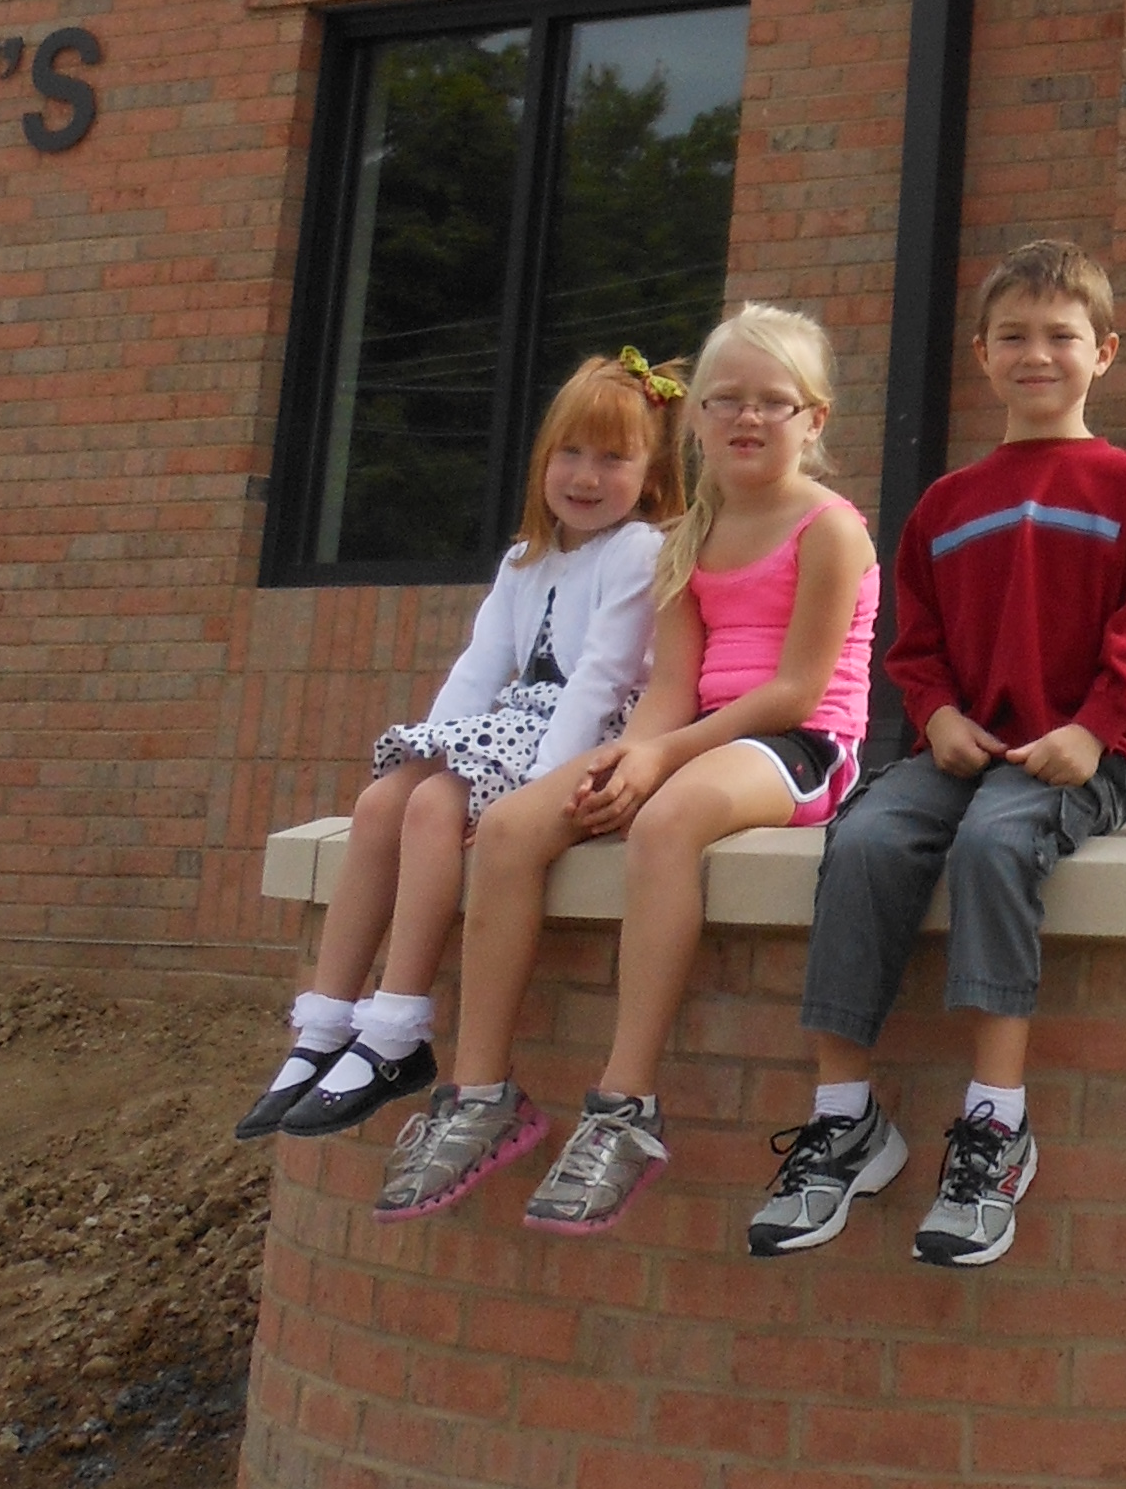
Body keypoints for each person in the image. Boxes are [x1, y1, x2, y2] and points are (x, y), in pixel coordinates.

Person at [375, 303, 878, 1232]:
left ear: (815, 420)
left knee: (665, 818)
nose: (748, 418)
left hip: (795, 745)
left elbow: (795, 692)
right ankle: (477, 1091)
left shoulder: (830, 529)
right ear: (696, 421)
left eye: (775, 401)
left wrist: (660, 763)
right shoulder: (692, 536)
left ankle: (625, 1105)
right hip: (691, 735)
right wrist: (632, 753)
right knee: (523, 821)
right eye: (726, 399)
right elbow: (669, 687)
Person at [749, 238, 1126, 1273]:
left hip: (1080, 757)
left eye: (1062, 337)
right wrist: (934, 713)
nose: (1039, 355)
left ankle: (994, 1128)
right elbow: (920, 641)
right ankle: (844, 1116)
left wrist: (1093, 726)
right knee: (864, 841)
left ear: (1106, 352)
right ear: (982, 356)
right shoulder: (946, 503)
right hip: (958, 753)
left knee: (995, 847)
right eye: (1015, 338)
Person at [234, 352, 682, 1147]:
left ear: (650, 476)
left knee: (438, 805)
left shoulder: (639, 551)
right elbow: (479, 669)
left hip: (587, 731)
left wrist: (529, 793)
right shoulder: (525, 559)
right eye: (570, 453)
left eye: (613, 458)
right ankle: (322, 1028)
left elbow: (601, 680)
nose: (586, 476)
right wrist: (433, 750)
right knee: (384, 801)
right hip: (514, 723)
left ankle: (397, 1031)